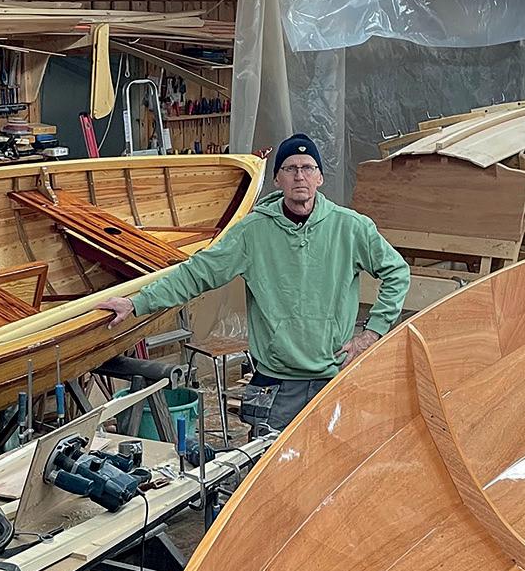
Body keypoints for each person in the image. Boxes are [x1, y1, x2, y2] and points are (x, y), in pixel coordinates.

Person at [100, 133, 410, 431]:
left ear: (320, 177)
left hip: (334, 375)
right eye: (290, 168)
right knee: (269, 464)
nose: (299, 176)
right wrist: (136, 303)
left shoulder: (351, 228)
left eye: (307, 168)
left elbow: (397, 272)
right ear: (277, 179)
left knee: (335, 462)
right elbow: (197, 273)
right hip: (276, 383)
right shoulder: (253, 232)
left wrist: (372, 333)